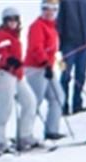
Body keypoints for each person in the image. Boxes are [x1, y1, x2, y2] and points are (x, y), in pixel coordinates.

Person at [0, 7, 38, 155]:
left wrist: (17, 66)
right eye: (9, 20)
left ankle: (25, 136)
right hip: (4, 75)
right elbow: (0, 55)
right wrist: (9, 60)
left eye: (15, 19)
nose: (12, 22)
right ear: (4, 21)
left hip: (16, 76)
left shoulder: (15, 35)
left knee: (30, 102)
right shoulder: (1, 35)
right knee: (5, 109)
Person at [24, 1, 65, 141]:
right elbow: (36, 48)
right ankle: (24, 134)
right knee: (34, 101)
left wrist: (50, 64)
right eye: (46, 9)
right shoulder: (37, 26)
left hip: (47, 68)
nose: (49, 12)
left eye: (53, 9)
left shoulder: (52, 26)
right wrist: (45, 63)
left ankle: (51, 131)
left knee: (58, 97)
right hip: (35, 68)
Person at [56, 0, 86, 116]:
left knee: (81, 74)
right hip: (69, 44)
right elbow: (59, 21)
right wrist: (59, 43)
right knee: (66, 75)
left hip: (85, 42)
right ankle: (63, 105)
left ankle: (77, 103)